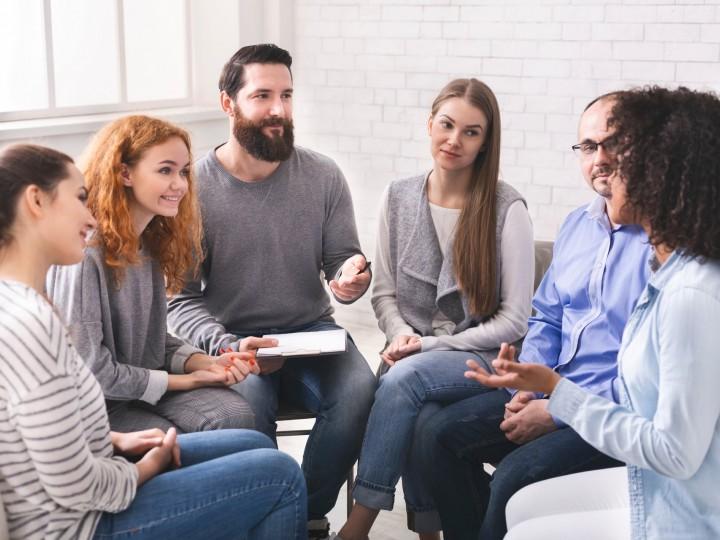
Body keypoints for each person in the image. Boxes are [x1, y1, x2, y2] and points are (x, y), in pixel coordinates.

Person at [0, 143, 307, 540]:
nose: (88, 213)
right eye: (78, 197)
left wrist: (118, 440)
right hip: (79, 525)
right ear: (36, 201)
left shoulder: (18, 299)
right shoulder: (31, 324)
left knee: (249, 441)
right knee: (281, 475)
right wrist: (147, 466)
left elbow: (41, 433)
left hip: (90, 477)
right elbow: (78, 488)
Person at [467, 85, 720, 540]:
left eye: (624, 158)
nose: (605, 169)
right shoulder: (668, 273)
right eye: (591, 149)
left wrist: (559, 396)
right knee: (520, 505)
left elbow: (675, 452)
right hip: (658, 482)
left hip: (684, 509)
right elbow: (550, 319)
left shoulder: (688, 294)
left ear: (660, 177)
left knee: (522, 517)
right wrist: (545, 385)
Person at [416, 91, 653, 540]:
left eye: (613, 143)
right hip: (549, 389)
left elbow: (646, 376)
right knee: (437, 434)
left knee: (514, 477)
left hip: (612, 414)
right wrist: (530, 384)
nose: (598, 158)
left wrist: (556, 408)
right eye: (587, 146)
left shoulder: (664, 244)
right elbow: (546, 316)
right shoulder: (576, 226)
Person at [166, 43, 377, 539]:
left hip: (312, 332)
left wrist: (351, 280)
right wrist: (224, 344)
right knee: (247, 408)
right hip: (233, 339)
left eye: (286, 94)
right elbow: (179, 297)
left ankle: (304, 516)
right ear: (228, 104)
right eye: (262, 95)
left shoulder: (323, 175)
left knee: (361, 391)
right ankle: (263, 514)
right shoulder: (192, 188)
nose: (279, 109)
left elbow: (339, 269)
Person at [335, 78, 535, 540]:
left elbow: (514, 320)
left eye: (471, 132)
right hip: (413, 350)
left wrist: (428, 345)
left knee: (402, 380)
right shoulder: (398, 196)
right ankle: (429, 532)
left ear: (486, 142)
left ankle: (358, 524)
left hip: (482, 354)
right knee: (417, 409)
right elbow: (383, 293)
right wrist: (402, 333)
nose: (454, 140)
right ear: (429, 125)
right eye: (446, 125)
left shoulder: (508, 209)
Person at [46, 115, 260, 434]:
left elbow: (152, 343)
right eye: (165, 170)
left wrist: (208, 363)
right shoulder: (85, 254)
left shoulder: (148, 245)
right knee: (172, 438)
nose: (180, 184)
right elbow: (91, 370)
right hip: (91, 407)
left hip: (137, 390)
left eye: (184, 171)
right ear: (124, 173)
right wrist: (185, 381)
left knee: (234, 414)